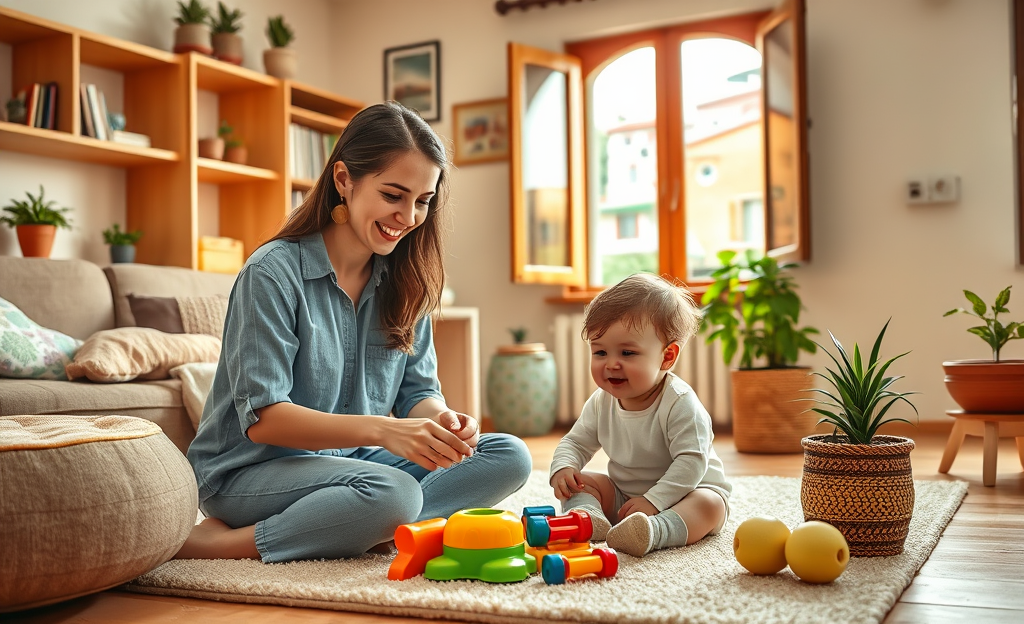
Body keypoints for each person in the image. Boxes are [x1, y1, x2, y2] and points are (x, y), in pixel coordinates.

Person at [177, 101, 532, 563]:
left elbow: (417, 392)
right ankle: (225, 542)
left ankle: (371, 527)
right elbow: (265, 419)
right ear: (344, 180)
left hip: (356, 465)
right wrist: (386, 432)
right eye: (393, 195)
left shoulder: (407, 279)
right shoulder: (271, 273)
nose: (408, 217)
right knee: (394, 493)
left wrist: (443, 423)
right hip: (248, 472)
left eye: (422, 201)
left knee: (508, 454)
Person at [548, 273, 731, 558]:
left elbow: (692, 463)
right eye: (599, 352)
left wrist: (654, 502)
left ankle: (655, 531)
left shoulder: (680, 403)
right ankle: (587, 517)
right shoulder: (601, 401)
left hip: (686, 493)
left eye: (627, 352)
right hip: (625, 496)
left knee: (710, 505)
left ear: (667, 356)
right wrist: (563, 468)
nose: (611, 364)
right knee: (580, 482)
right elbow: (576, 442)